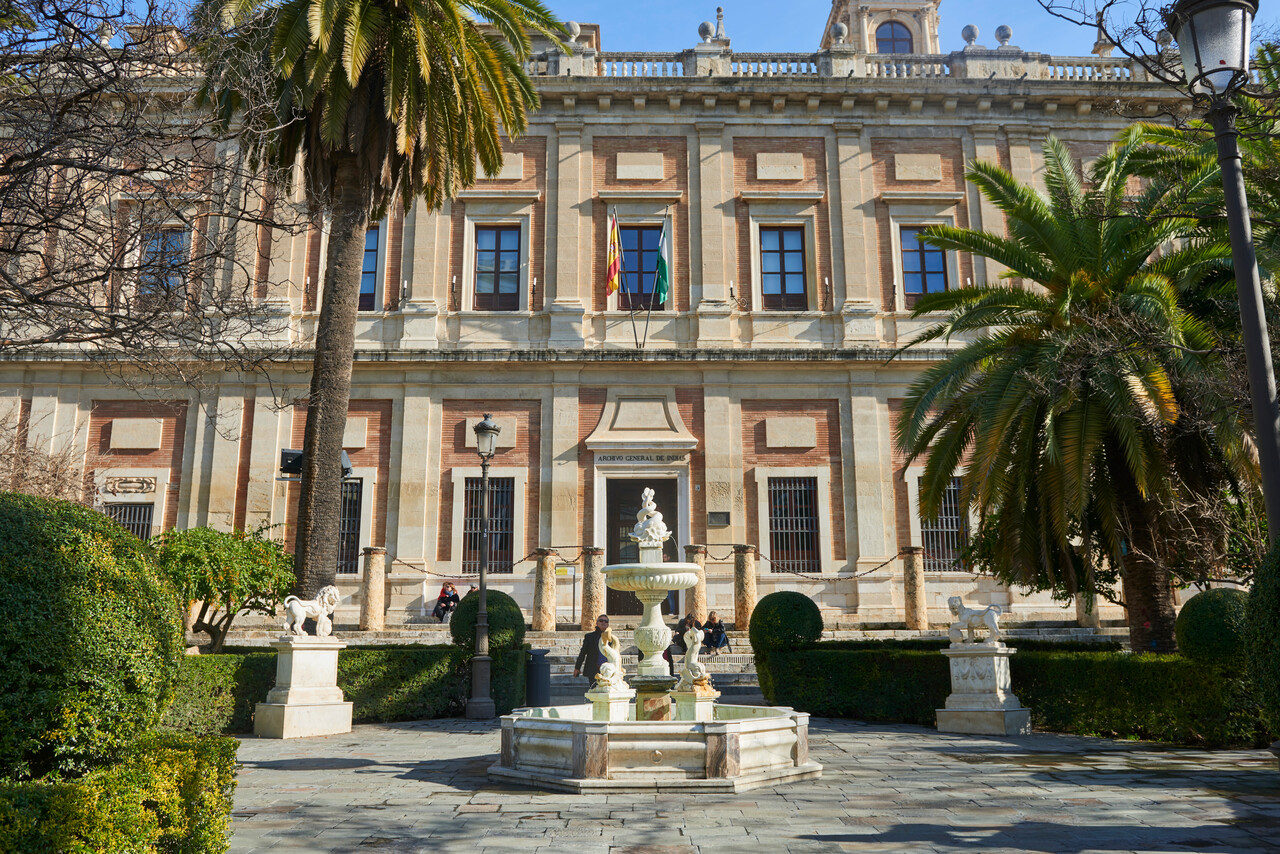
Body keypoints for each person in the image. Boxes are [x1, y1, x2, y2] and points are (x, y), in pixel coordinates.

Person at [573, 615, 610, 684]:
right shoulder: (589, 637)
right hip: (594, 669)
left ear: (608, 624)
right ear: (597, 623)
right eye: (601, 620)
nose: (603, 622)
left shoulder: (611, 639)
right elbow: (583, 653)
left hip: (608, 670)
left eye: (606, 621)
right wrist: (577, 668)